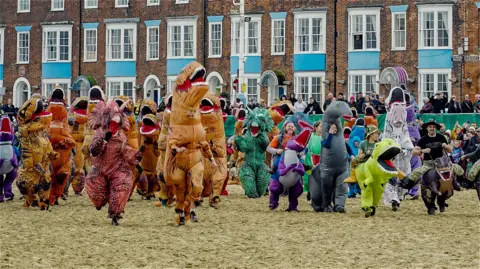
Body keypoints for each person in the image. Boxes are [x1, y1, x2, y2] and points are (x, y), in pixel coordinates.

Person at [401, 120, 463, 190]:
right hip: (428, 164)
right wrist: (422, 151)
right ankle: (408, 186)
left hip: (442, 162)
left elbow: (450, 150)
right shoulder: (423, 140)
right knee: (416, 172)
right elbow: (413, 152)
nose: (432, 128)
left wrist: (446, 146)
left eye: (433, 127)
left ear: (436, 128)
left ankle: (459, 183)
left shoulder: (441, 137)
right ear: (427, 128)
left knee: (458, 168)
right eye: (430, 127)